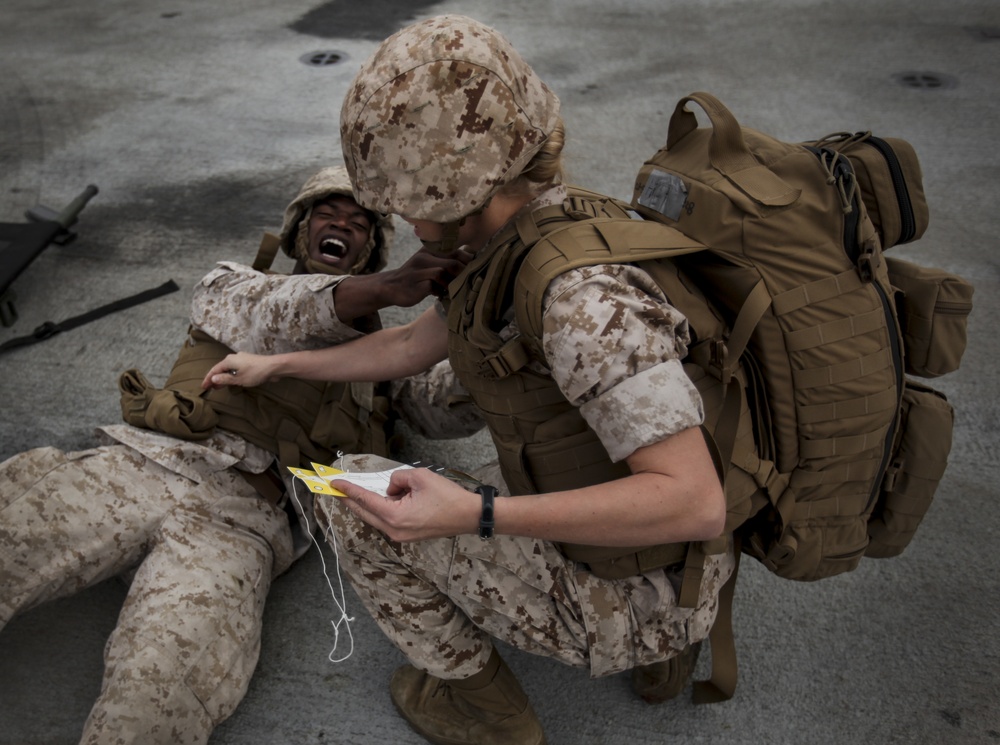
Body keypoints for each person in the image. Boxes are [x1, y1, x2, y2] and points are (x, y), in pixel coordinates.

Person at [204, 16, 733, 745]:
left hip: (661, 576)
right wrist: (281, 363)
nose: (404, 215)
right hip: (669, 562)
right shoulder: (534, 229)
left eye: (407, 199)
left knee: (355, 497)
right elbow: (413, 346)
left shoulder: (578, 302)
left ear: (450, 191)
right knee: (478, 468)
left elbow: (696, 502)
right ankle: (665, 655)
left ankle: (486, 709)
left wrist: (475, 515)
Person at [0, 165, 481, 745]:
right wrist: (383, 291)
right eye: (328, 214)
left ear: (370, 251)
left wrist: (503, 331)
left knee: (164, 693)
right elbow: (287, 310)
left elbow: (449, 398)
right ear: (301, 231)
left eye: (359, 224)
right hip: (148, 467)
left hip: (244, 524)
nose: (342, 226)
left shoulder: (385, 367)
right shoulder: (233, 287)